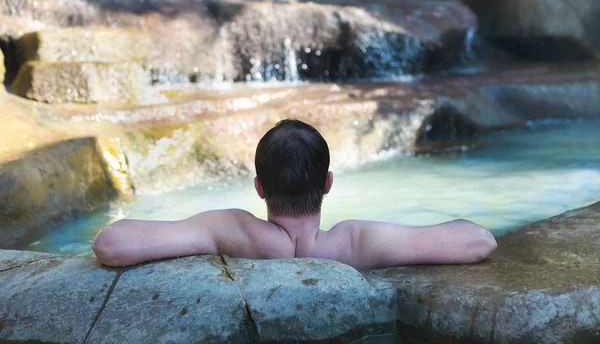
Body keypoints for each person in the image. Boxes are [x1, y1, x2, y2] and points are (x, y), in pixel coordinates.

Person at [92, 119, 497, 270]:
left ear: (259, 188)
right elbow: (478, 239)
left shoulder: (232, 232)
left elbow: (111, 243)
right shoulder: (354, 244)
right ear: (327, 184)